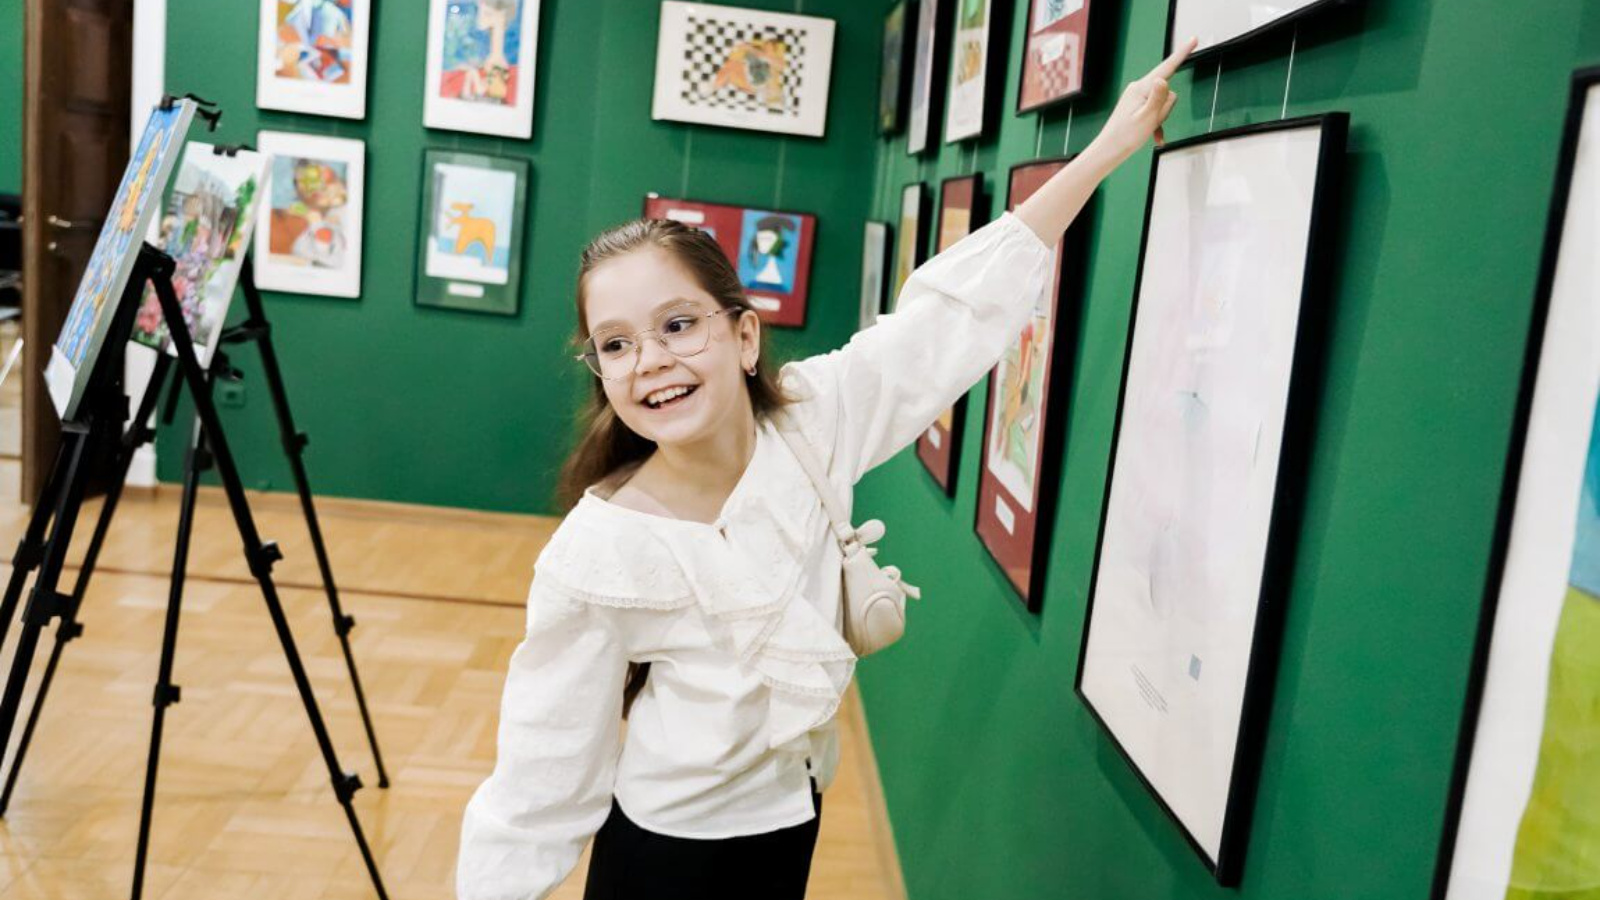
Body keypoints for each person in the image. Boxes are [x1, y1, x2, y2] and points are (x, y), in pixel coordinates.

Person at [457, 41, 1195, 900]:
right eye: (615, 344)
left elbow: (948, 317)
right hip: (666, 856)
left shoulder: (813, 420)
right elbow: (540, 779)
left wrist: (1108, 147)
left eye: (678, 325)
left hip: (793, 821)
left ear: (744, 336)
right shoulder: (595, 556)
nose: (649, 360)